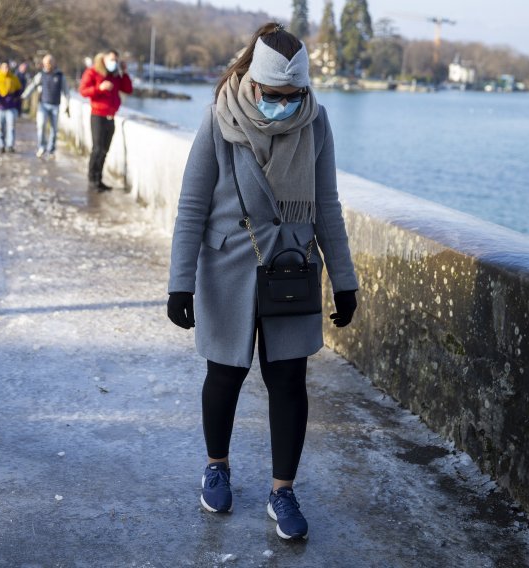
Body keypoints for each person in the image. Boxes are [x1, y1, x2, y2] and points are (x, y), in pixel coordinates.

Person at [166, 22, 359, 541]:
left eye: (293, 95)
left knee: (289, 381)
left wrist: (345, 280)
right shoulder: (218, 121)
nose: (284, 103)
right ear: (253, 82)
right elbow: (191, 207)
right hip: (227, 268)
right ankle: (217, 466)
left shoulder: (315, 124)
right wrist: (179, 283)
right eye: (274, 95)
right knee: (224, 374)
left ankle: (283, 490)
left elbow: (327, 208)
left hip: (292, 270)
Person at [79, 49, 132, 191]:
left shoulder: (115, 75)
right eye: (111, 59)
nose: (113, 63)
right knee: (97, 149)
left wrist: (124, 72)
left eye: (116, 60)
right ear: (104, 59)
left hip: (111, 116)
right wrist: (99, 88)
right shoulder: (93, 72)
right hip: (97, 116)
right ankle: (92, 179)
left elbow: (128, 89)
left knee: (104, 150)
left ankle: (99, 179)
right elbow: (83, 91)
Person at [22, 54, 70, 159]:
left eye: (49, 63)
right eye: (46, 63)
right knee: (41, 126)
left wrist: (67, 104)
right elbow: (32, 86)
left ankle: (51, 150)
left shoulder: (60, 76)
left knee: (54, 129)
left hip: (55, 106)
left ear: (54, 63)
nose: (48, 65)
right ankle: (42, 147)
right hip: (43, 105)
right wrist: (24, 96)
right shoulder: (41, 75)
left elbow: (66, 91)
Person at [0, 61, 22, 154]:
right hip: (0, 107)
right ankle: (1, 145)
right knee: (0, 128)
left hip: (11, 107)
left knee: (11, 127)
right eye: (4, 67)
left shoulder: (14, 78)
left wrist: (17, 103)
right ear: (0, 68)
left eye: (7, 67)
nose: (6, 69)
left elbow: (18, 91)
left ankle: (10, 145)